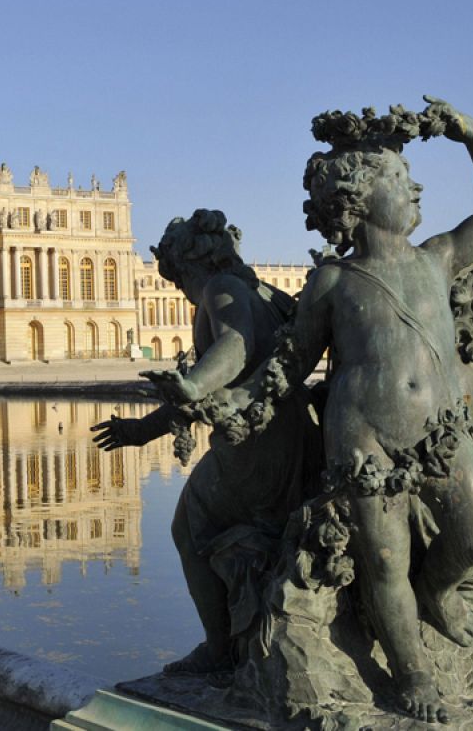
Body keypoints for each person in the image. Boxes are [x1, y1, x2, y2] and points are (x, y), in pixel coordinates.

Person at [215, 98, 473, 722]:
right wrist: (232, 400)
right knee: (383, 560)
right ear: (356, 199)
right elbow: (292, 363)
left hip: (440, 431)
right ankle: (412, 674)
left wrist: (471, 133)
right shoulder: (333, 282)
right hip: (364, 441)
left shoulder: (438, 258)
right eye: (396, 178)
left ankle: (434, 592)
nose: (414, 186)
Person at [92, 209, 315, 674]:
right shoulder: (264, 292)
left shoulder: (220, 288)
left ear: (191, 266)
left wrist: (193, 385)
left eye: (178, 280)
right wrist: (143, 430)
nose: (180, 291)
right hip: (290, 437)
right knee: (240, 538)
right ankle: (247, 637)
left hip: (253, 445)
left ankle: (220, 649)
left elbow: (233, 347)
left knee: (188, 529)